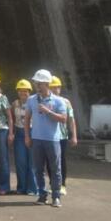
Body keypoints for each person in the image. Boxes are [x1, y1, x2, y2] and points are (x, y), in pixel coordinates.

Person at [25, 69, 68, 208]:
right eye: (36, 83)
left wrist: (48, 111)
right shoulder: (31, 100)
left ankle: (56, 196)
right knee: (38, 169)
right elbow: (26, 119)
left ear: (46, 84)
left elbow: (63, 119)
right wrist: (27, 136)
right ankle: (42, 195)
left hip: (53, 140)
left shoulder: (58, 101)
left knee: (55, 169)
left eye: (40, 83)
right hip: (36, 139)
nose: (37, 85)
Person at [51, 75, 77, 196]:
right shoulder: (46, 101)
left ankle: (62, 185)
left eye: (56, 87)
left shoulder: (66, 102)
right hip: (49, 135)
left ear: (59, 88)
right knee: (50, 161)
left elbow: (71, 120)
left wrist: (74, 136)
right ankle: (52, 184)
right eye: (51, 87)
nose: (54, 90)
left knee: (61, 160)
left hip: (62, 136)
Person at [12, 79, 36, 195]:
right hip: (19, 134)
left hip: (32, 133)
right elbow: (11, 118)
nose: (23, 93)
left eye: (25, 91)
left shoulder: (34, 102)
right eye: (20, 91)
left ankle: (32, 188)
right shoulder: (15, 103)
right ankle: (21, 187)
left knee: (32, 162)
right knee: (20, 162)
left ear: (29, 91)